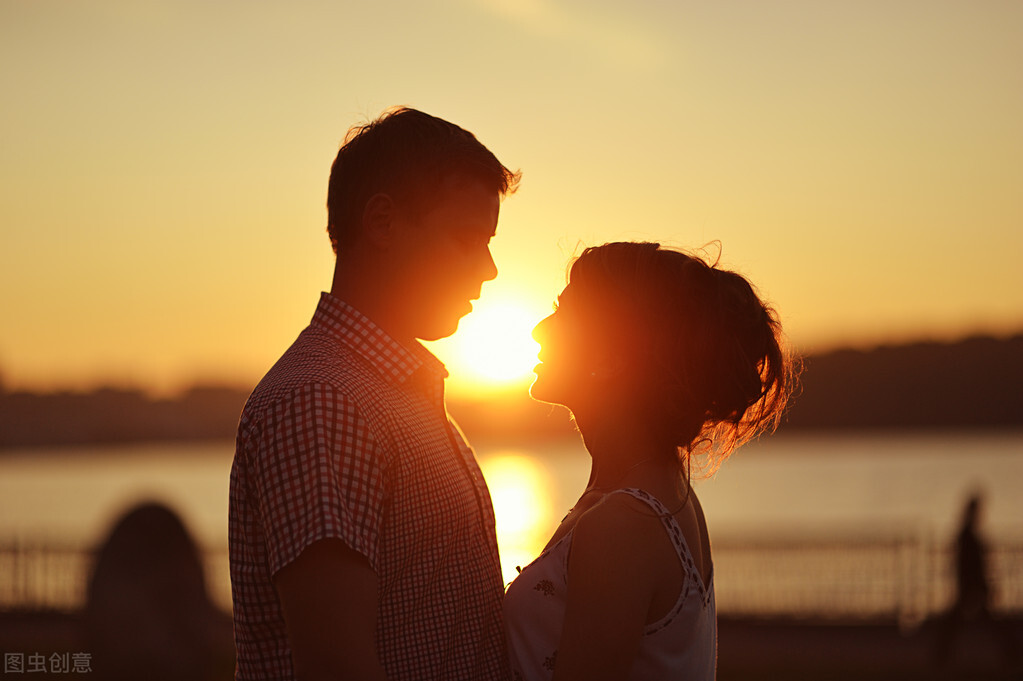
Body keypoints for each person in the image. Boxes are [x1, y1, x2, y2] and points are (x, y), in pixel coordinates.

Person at [229, 107, 520, 681]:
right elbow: (337, 665)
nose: (488, 268)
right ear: (382, 222)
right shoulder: (322, 403)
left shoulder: (389, 392)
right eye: (467, 238)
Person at [504, 242, 795, 681]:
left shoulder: (623, 524)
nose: (540, 330)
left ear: (613, 356)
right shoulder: (662, 493)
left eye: (565, 314)